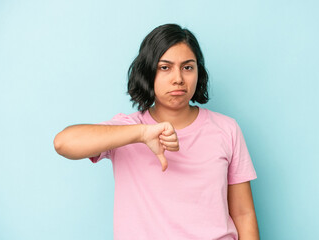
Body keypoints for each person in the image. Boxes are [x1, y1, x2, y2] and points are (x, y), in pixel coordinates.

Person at [54, 23, 259, 240]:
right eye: (165, 67)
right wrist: (142, 134)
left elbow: (243, 214)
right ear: (148, 71)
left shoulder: (227, 129)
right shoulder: (126, 130)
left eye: (188, 67)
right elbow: (63, 143)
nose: (178, 78)